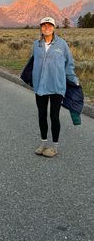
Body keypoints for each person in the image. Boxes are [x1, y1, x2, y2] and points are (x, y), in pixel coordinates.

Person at [33, 17, 79, 157]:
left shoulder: (62, 44)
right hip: (40, 86)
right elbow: (32, 62)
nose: (47, 27)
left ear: (54, 28)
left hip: (56, 86)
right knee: (42, 115)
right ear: (41, 27)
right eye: (44, 25)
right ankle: (43, 144)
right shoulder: (36, 44)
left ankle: (54, 146)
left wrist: (74, 80)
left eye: (50, 25)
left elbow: (69, 64)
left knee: (54, 116)